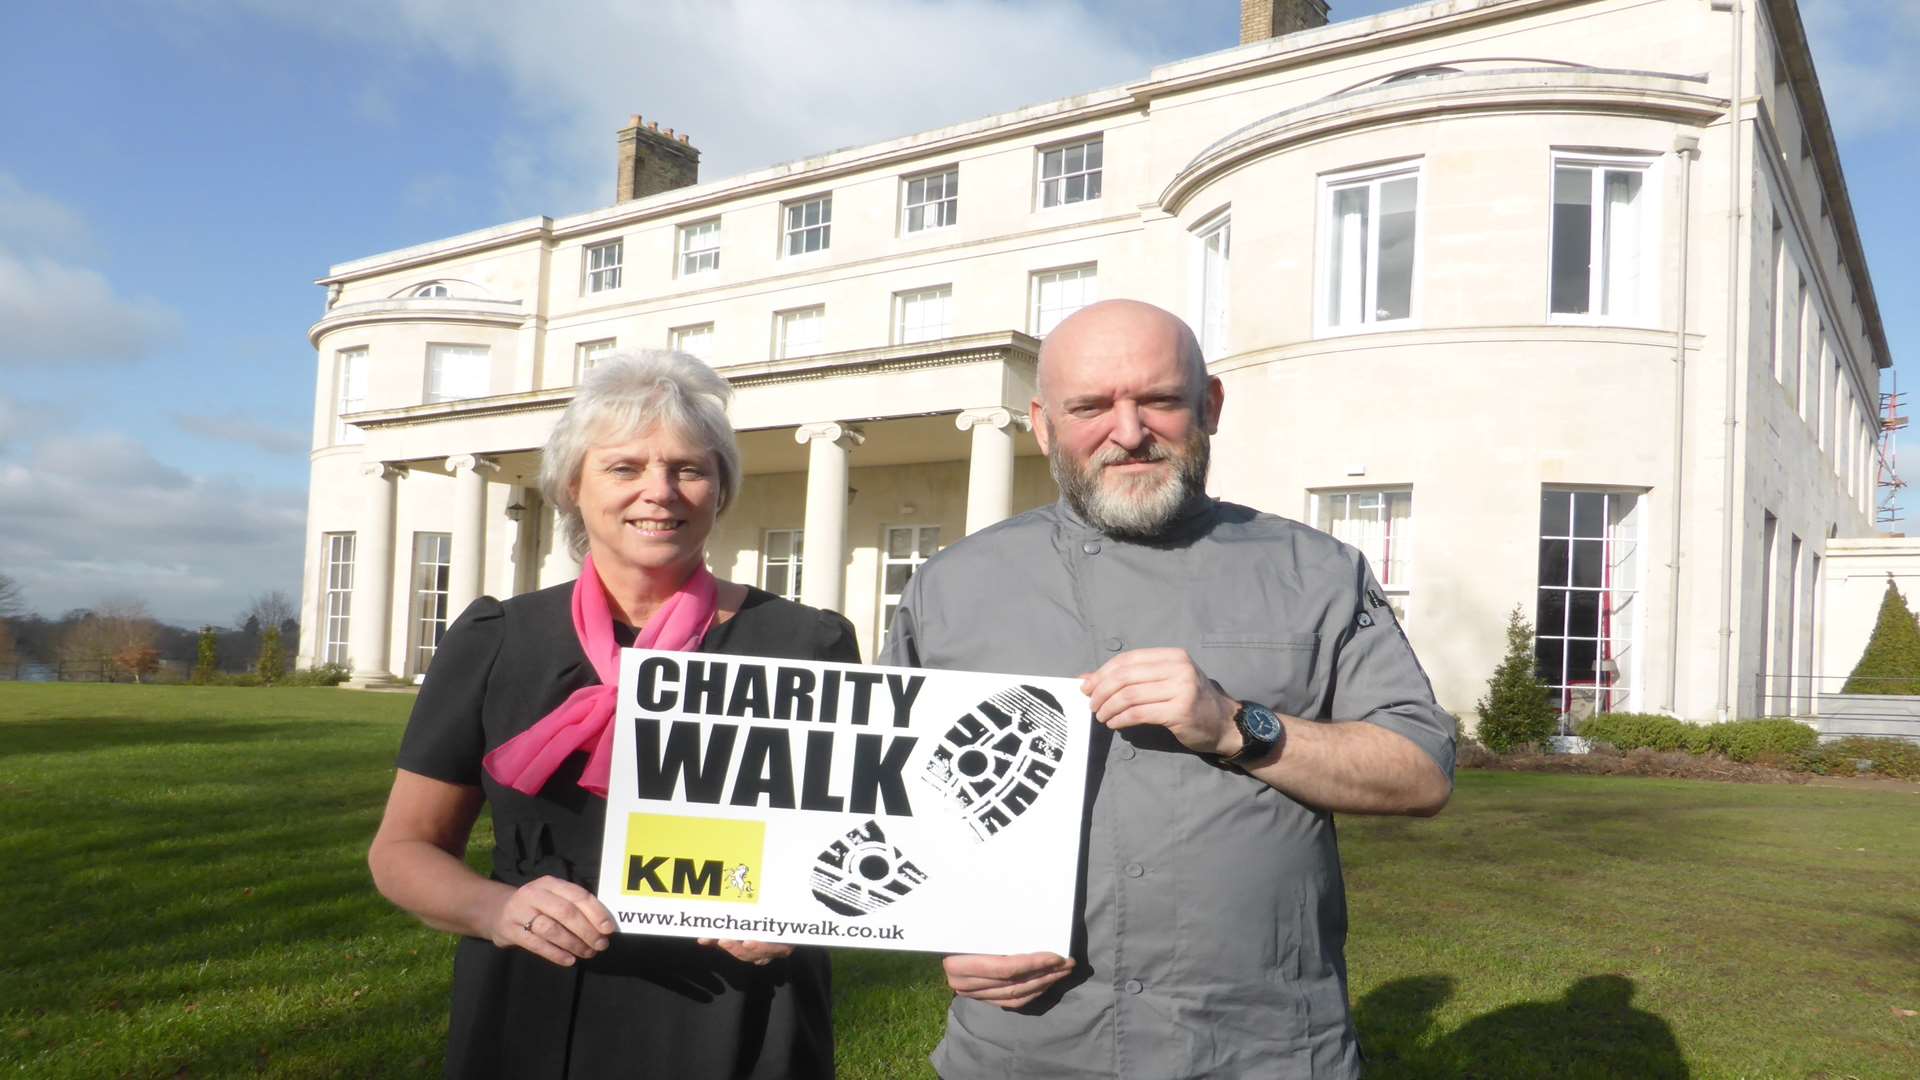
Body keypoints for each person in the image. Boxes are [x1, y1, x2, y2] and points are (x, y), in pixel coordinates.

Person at [881, 300, 1456, 1079]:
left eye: (1158, 400)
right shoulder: (952, 587)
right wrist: (936, 930)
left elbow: (1421, 770)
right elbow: (886, 800)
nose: (1128, 431)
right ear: (1043, 425)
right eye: (1091, 407)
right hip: (1028, 1049)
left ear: (1209, 406)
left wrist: (1236, 725)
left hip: (1263, 1050)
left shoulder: (1316, 572)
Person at [368, 350, 854, 1079]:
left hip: (743, 1010)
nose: (659, 492)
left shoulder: (805, 643)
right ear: (573, 485)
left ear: (720, 490)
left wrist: (804, 909)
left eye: (689, 468)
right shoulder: (496, 639)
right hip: (535, 1002)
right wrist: (494, 910)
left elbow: (867, 848)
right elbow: (403, 850)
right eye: (624, 467)